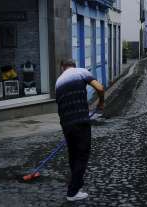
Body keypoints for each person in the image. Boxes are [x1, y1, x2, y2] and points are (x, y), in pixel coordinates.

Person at [55, 59, 104, 201]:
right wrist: (101, 102)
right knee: (82, 155)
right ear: (73, 66)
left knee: (73, 155)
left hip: (66, 123)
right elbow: (99, 88)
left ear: (62, 68)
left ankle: (77, 184)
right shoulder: (81, 71)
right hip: (80, 121)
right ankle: (72, 192)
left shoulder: (58, 81)